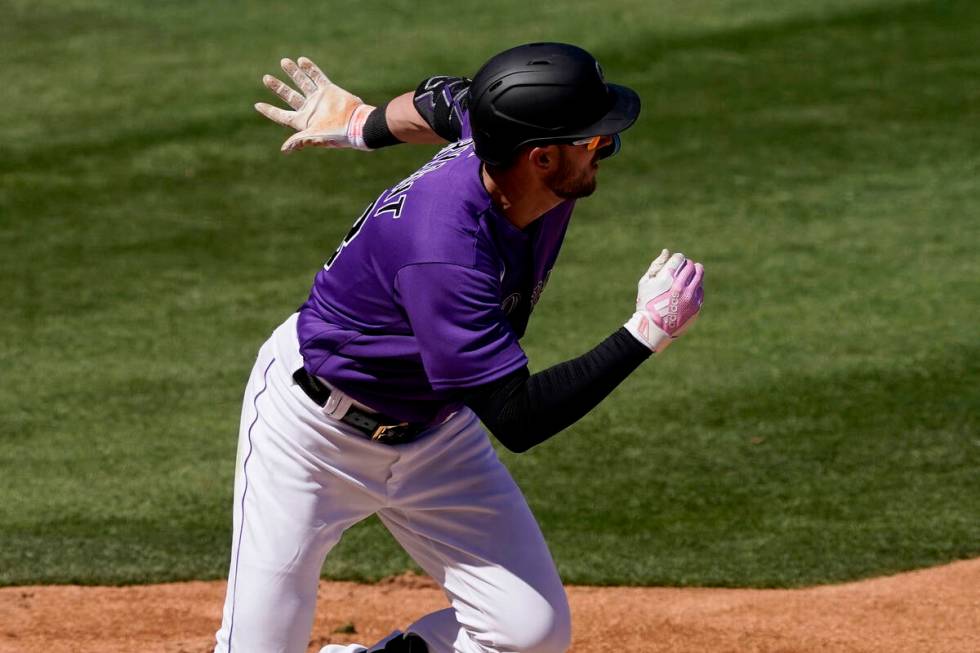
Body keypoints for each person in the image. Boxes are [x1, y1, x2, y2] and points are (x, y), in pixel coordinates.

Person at [214, 42, 705, 653]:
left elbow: (446, 97)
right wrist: (645, 334)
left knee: (530, 634)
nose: (608, 148)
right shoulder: (445, 252)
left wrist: (363, 125)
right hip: (313, 435)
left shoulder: (505, 134)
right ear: (543, 157)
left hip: (436, 432)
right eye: (596, 140)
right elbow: (518, 416)